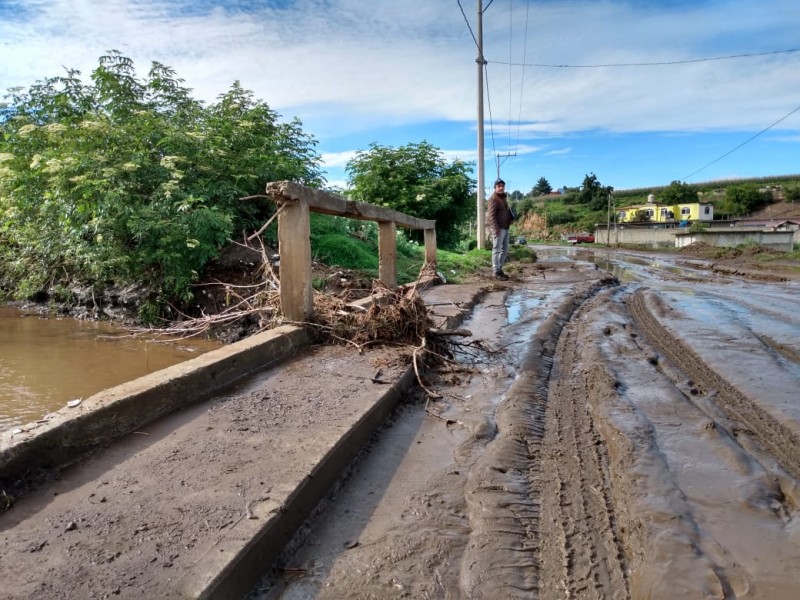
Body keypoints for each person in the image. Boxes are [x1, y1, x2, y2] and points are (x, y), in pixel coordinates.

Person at [487, 178, 513, 280]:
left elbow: (505, 212)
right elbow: (491, 216)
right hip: (498, 228)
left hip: (505, 227)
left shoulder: (503, 198)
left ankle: (500, 269)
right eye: (499, 186)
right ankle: (495, 271)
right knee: (496, 250)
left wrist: (510, 218)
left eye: (502, 186)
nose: (501, 188)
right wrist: (495, 228)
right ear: (495, 188)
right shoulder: (493, 199)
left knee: (504, 250)